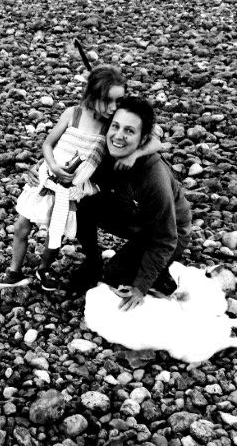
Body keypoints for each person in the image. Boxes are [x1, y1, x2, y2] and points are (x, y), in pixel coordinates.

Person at [0, 66, 164, 292]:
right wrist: (49, 165)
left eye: (118, 101)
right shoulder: (73, 114)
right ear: (92, 95)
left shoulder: (111, 123)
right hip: (47, 177)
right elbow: (49, 144)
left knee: (56, 230)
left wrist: (135, 154)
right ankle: (13, 271)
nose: (114, 107)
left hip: (72, 186)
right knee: (21, 227)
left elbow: (157, 139)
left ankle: (43, 269)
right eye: (108, 100)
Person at [69, 95, 192, 311]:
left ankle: (159, 276)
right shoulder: (103, 149)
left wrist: (140, 287)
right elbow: (65, 152)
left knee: (115, 275)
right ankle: (93, 262)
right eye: (115, 126)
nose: (118, 136)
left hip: (169, 232)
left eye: (129, 131)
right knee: (78, 199)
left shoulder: (154, 178)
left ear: (142, 140)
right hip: (131, 214)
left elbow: (165, 238)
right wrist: (40, 169)